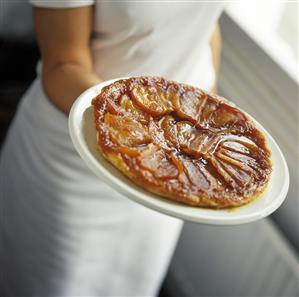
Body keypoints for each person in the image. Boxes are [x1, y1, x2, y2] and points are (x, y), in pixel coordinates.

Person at [0, 1, 224, 296]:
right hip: (78, 164)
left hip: (174, 167)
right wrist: (154, 137)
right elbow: (63, 65)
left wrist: (207, 113)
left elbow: (204, 25)